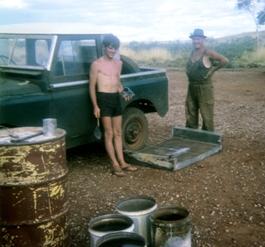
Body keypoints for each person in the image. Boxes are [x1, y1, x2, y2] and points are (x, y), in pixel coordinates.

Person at [89, 34, 137, 177]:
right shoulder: (96, 64)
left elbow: (117, 81)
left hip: (116, 98)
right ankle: (114, 164)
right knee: (108, 133)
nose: (112, 51)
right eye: (110, 48)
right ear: (104, 47)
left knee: (118, 132)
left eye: (115, 48)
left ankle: (122, 162)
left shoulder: (119, 63)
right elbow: (91, 86)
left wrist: (125, 92)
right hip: (103, 99)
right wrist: (95, 106)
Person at [185, 28, 229, 131]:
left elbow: (225, 60)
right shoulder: (192, 52)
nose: (196, 41)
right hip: (191, 87)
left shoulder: (208, 52)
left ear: (203, 40)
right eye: (194, 39)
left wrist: (213, 70)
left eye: (198, 39)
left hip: (204, 88)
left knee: (206, 114)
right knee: (190, 111)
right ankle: (191, 135)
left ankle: (209, 137)